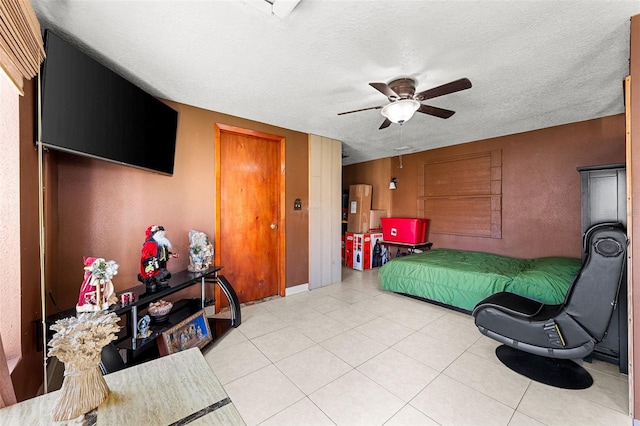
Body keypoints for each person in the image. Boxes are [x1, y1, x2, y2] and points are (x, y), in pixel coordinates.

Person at [138, 225, 178, 291]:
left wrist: (171, 255)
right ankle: (150, 282)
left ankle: (159, 279)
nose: (161, 234)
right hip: (152, 262)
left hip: (161, 262)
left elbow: (164, 253)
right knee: (150, 273)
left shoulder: (162, 242)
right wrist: (149, 259)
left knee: (161, 271)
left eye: (162, 233)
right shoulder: (150, 243)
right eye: (159, 233)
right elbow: (145, 253)